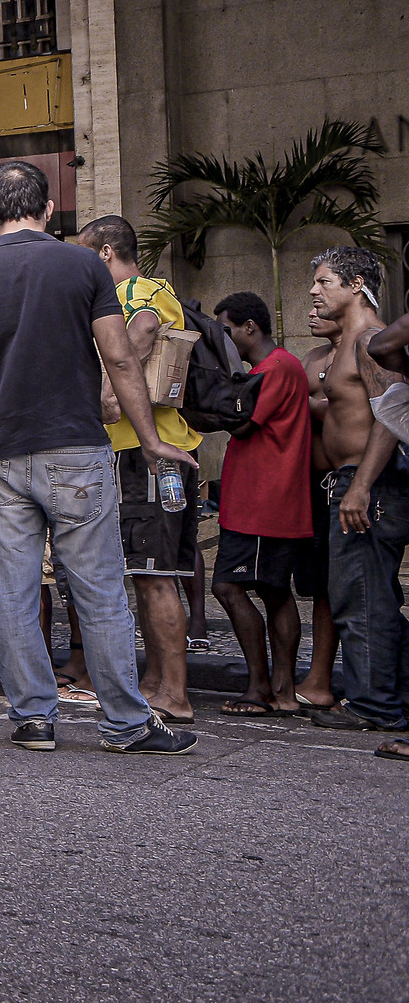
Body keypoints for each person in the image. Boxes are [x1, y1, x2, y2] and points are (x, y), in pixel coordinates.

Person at [0, 160, 198, 754]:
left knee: (16, 590)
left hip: (2, 454)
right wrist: (150, 440)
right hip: (76, 448)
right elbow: (123, 359)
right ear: (50, 210)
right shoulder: (83, 265)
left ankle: (32, 718)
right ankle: (126, 725)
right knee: (98, 591)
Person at [78, 215, 200, 724]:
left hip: (152, 455)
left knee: (156, 576)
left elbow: (146, 328)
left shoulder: (141, 290)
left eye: (87, 254)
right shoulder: (120, 296)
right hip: (132, 453)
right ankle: (154, 680)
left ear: (105, 253)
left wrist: (109, 394)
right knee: (142, 573)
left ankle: (175, 690)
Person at [305, 247, 409, 751]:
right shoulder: (342, 344)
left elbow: (393, 415)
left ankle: (376, 706)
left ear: (357, 284)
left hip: (370, 486)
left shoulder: (369, 340)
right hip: (347, 484)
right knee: (362, 596)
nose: (314, 291)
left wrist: (362, 486)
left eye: (325, 282)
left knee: (365, 598)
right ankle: (389, 697)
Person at [208, 291, 313, 717]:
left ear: (249, 327)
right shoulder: (276, 368)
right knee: (272, 590)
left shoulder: (277, 368)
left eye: (227, 330)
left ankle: (262, 688)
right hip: (265, 499)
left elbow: (244, 422)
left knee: (229, 586)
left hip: (263, 500)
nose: (227, 339)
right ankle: (280, 690)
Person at [296, 306, 345, 714]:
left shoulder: (362, 349)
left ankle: (324, 678)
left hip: (345, 481)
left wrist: (306, 403)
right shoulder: (311, 358)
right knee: (317, 587)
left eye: (321, 296)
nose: (313, 310)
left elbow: (346, 411)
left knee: (342, 588)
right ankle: (318, 675)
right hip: (310, 485)